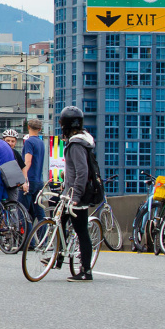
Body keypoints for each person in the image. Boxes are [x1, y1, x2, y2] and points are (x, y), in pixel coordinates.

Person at [61, 106, 99, 281]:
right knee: (61, 220)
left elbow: (82, 172)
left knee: (81, 230)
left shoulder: (76, 144)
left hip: (78, 195)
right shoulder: (84, 140)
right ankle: (59, 256)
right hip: (72, 191)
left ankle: (86, 270)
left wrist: (75, 196)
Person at [21, 120, 46, 221]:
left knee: (23, 212)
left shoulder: (29, 142)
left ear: (28, 127)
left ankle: (27, 235)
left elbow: (28, 161)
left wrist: (24, 179)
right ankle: (44, 235)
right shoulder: (41, 142)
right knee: (39, 212)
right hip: (39, 181)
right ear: (40, 129)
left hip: (29, 180)